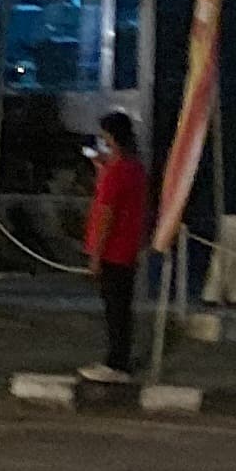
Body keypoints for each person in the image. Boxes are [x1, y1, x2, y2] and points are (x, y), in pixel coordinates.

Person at [81, 111, 147, 383]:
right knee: (121, 308)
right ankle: (119, 360)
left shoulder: (118, 172)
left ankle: (116, 364)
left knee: (115, 310)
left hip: (112, 251)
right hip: (127, 249)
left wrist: (96, 254)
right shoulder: (133, 168)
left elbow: (107, 213)